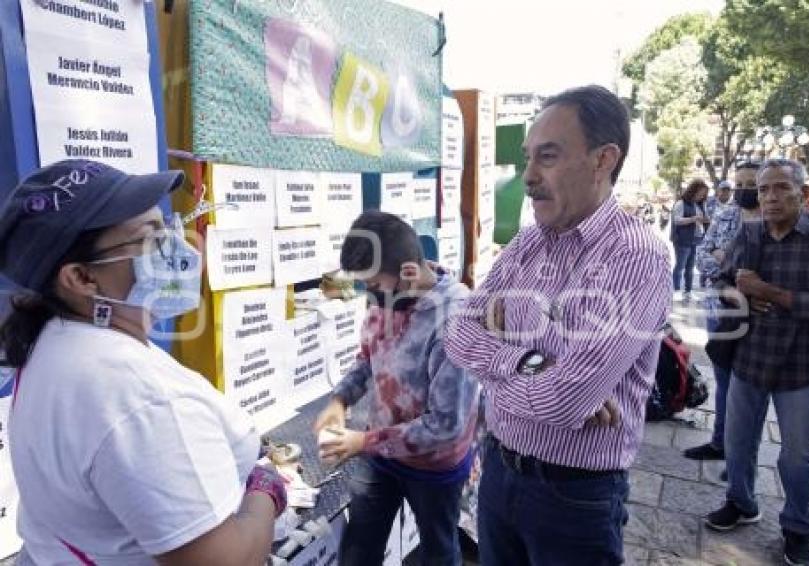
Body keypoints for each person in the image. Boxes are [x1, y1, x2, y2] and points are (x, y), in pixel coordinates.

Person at [0, 160, 287, 565]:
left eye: (167, 227)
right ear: (82, 278)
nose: (177, 247)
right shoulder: (134, 394)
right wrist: (265, 489)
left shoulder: (55, 341)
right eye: (150, 238)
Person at [444, 85, 671, 566]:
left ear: (603, 159)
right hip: (499, 471)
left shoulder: (634, 256)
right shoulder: (528, 244)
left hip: (573, 497)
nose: (528, 176)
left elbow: (565, 399)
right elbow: (457, 334)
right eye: (528, 158)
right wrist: (532, 362)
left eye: (547, 157)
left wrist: (519, 377)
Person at [704, 159, 809, 566]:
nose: (769, 197)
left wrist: (769, 291)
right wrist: (741, 293)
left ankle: (796, 528)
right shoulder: (750, 234)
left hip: (802, 366)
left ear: (805, 194)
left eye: (781, 188)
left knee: (796, 455)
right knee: (737, 441)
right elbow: (722, 277)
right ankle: (741, 502)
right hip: (750, 358)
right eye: (764, 189)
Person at [314, 210, 478, 566]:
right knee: (359, 548)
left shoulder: (456, 320)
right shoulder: (386, 297)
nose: (369, 295)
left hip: (435, 468)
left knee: (438, 552)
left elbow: (446, 425)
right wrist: (340, 399)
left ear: (409, 271)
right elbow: (368, 359)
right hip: (381, 456)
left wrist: (362, 442)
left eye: (372, 285)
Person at [685, 161, 761, 462]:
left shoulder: (774, 220)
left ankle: (742, 458)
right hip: (720, 311)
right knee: (724, 381)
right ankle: (720, 442)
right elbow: (702, 255)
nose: (744, 190)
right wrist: (726, 262)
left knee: (750, 391)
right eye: (740, 184)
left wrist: (724, 258)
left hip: (758, 317)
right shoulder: (727, 214)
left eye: (751, 184)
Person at [671, 179, 711, 301]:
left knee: (690, 267)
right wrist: (693, 218)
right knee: (680, 266)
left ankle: (688, 291)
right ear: (693, 191)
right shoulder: (681, 203)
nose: (701, 196)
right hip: (682, 240)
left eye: (704, 194)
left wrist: (706, 220)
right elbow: (677, 220)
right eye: (700, 193)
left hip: (696, 239)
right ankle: (676, 290)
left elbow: (705, 219)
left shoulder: (700, 204)